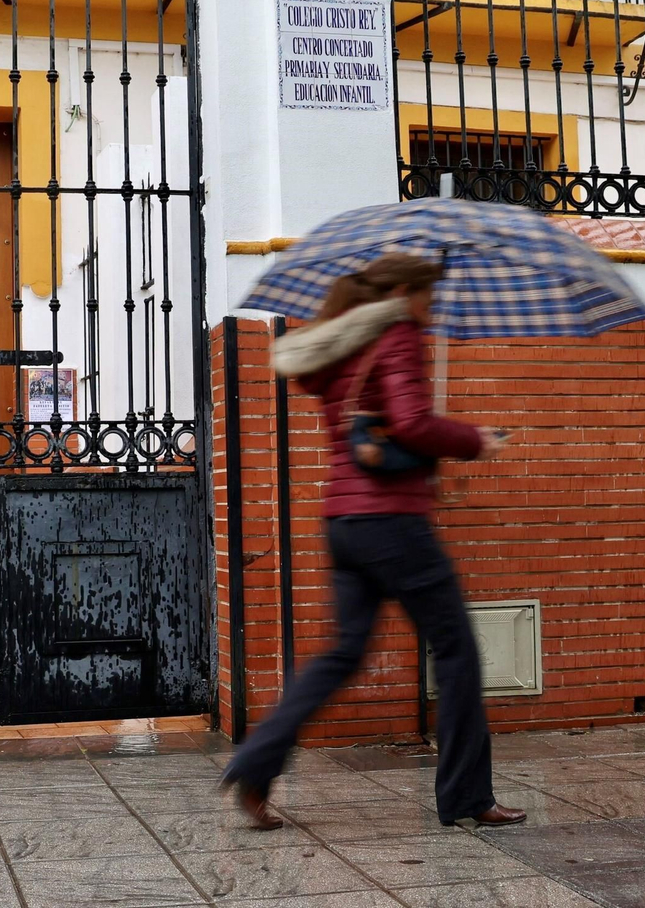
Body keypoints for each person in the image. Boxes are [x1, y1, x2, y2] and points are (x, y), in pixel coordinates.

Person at [221, 253, 526, 831]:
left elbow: (380, 427)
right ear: (406, 293)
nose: (431, 308)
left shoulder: (342, 347)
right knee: (457, 649)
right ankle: (466, 795)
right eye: (428, 297)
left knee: (342, 653)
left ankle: (256, 764)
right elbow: (409, 424)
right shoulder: (400, 336)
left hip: (344, 521)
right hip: (391, 522)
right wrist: (472, 439)